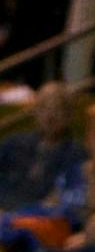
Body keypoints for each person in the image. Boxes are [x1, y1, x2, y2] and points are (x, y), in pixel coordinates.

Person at [0, 83, 85, 218]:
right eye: (44, 108)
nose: (50, 116)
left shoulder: (77, 155)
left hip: (41, 222)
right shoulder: (13, 143)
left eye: (57, 109)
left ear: (69, 116)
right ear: (35, 111)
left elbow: (62, 201)